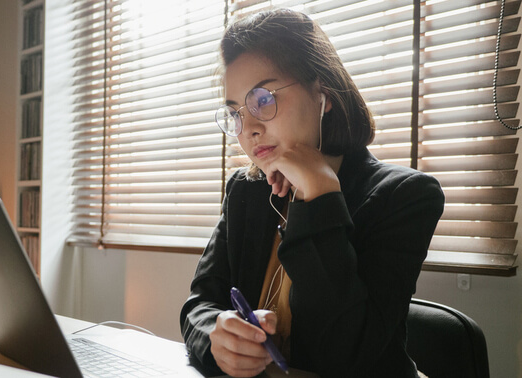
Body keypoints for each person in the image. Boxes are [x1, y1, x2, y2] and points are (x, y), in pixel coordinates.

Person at [180, 8, 445, 378]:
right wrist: (217, 335)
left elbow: (346, 355)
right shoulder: (246, 190)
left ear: (324, 94)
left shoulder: (406, 196)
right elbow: (200, 304)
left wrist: (319, 195)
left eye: (263, 99)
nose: (249, 129)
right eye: (236, 113)